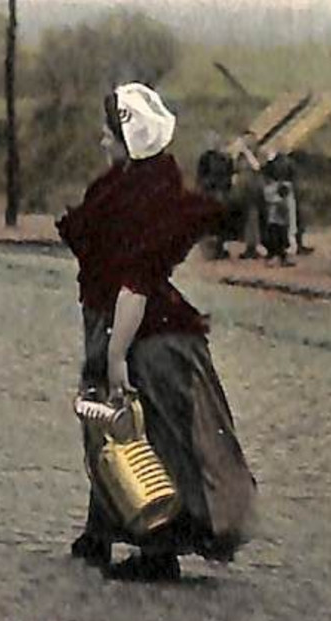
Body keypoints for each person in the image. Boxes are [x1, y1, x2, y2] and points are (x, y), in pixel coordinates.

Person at [57, 83, 258, 581]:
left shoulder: (142, 197)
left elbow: (135, 282)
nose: (103, 141)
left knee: (148, 434)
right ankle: (103, 528)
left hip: (142, 334)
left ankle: (158, 548)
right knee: (109, 424)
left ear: (129, 138)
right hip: (119, 320)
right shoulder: (130, 184)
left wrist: (117, 351)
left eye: (110, 134)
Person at [194, 135, 235, 260]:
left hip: (221, 192)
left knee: (220, 222)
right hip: (210, 192)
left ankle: (218, 247)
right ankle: (210, 250)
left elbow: (230, 175)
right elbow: (200, 176)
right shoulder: (205, 158)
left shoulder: (226, 159)